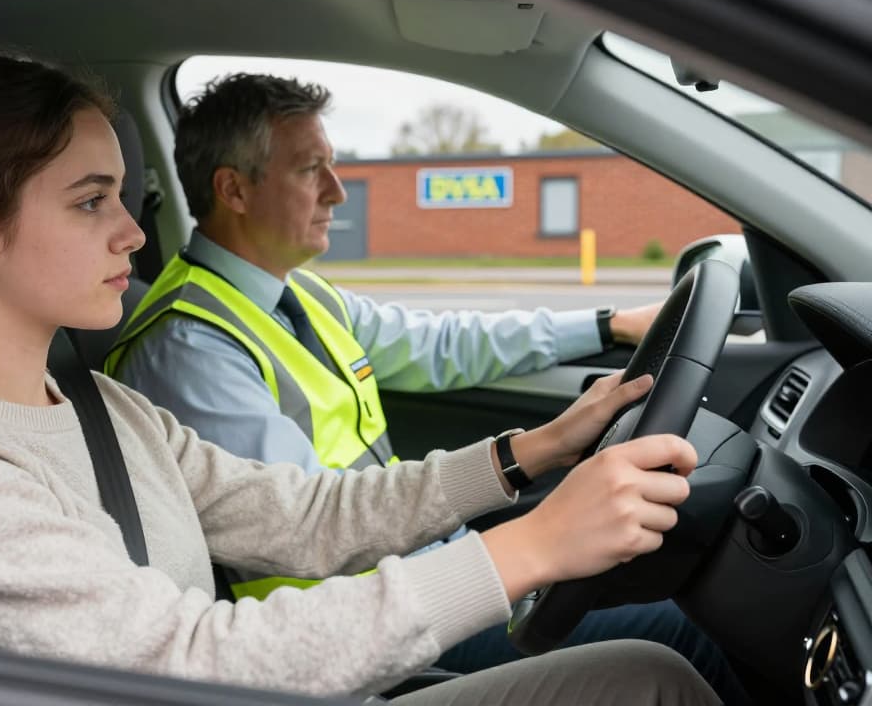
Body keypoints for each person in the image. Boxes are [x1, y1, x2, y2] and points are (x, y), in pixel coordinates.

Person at [0, 54, 719, 705]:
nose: (133, 234)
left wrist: (522, 458)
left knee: (649, 676)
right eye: (91, 202)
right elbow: (184, 662)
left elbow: (305, 517)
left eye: (123, 199)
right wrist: (528, 550)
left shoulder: (103, 405)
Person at [106, 73, 748, 703]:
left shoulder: (300, 293)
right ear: (234, 190)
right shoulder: (189, 348)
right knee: (683, 637)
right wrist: (529, 538)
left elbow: (442, 343)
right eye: (310, 170)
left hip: (418, 564)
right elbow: (309, 534)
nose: (337, 193)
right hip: (361, 623)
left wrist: (603, 329)